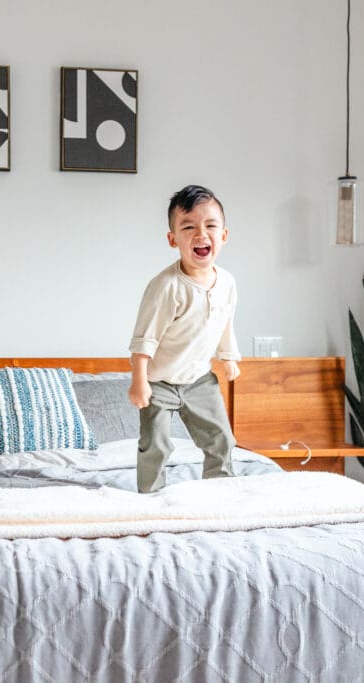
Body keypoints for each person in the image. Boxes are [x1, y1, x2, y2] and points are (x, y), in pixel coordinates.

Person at [128, 184, 241, 493]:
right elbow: (144, 340)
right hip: (160, 382)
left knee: (221, 439)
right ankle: (150, 499)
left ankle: (221, 493)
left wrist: (229, 356)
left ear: (224, 236)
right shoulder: (166, 287)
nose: (200, 234)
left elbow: (224, 322)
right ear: (173, 239)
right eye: (188, 227)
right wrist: (139, 381)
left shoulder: (227, 283)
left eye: (210, 226)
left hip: (199, 379)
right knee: (156, 444)